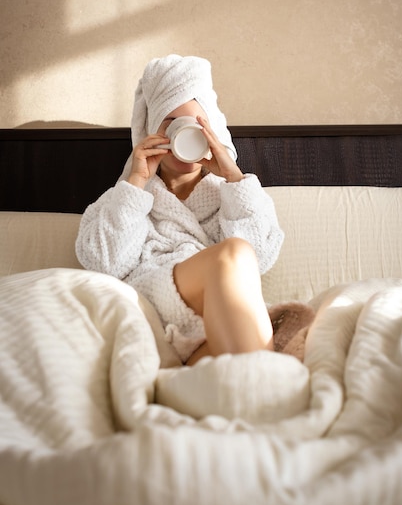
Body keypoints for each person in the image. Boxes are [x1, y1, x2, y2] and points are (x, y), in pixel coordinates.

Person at [76, 54, 284, 365]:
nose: (184, 135)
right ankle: (268, 389)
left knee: (232, 372)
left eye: (197, 124)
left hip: (213, 327)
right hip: (155, 306)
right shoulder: (127, 197)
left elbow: (261, 259)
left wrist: (233, 177)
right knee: (234, 254)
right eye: (171, 125)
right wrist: (136, 181)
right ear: (152, 132)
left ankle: (232, 389)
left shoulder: (231, 195)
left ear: (211, 131)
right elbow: (104, 264)